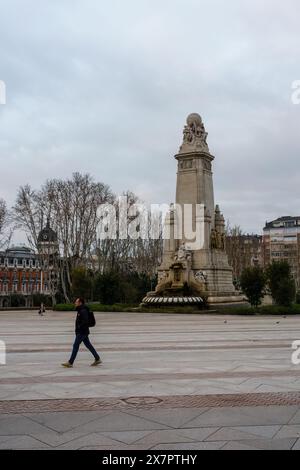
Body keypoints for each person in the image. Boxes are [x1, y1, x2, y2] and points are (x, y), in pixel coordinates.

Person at [62, 297, 101, 368]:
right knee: (88, 345)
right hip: (83, 331)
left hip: (82, 332)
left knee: (75, 346)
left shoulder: (83, 310)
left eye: (76, 302)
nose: (75, 303)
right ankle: (97, 358)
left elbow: (85, 321)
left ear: (80, 303)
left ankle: (70, 362)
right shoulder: (80, 310)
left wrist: (79, 327)